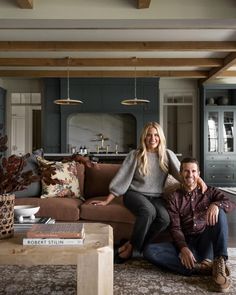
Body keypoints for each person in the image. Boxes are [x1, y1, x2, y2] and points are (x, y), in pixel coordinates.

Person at [89, 122, 206, 263]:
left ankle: (132, 245)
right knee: (148, 211)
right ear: (144, 137)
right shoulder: (135, 155)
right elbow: (122, 178)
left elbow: (183, 174)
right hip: (134, 194)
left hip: (156, 197)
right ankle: (134, 250)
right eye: (149, 135)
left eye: (156, 135)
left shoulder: (167, 155)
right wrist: (108, 200)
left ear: (160, 137)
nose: (153, 138)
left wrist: (199, 180)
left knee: (165, 218)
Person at [143, 157, 236, 293]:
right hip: (187, 243)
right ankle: (201, 268)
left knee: (219, 211)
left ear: (198, 174)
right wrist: (183, 248)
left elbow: (230, 203)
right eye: (186, 171)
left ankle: (219, 261)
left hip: (206, 242)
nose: (190, 175)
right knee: (149, 251)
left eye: (193, 171)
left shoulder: (209, 192)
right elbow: (175, 228)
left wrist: (216, 204)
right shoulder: (174, 197)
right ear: (181, 173)